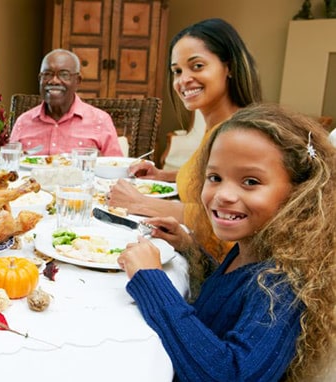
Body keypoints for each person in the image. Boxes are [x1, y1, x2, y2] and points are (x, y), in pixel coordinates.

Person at [117, 104, 336, 381]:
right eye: (215, 178)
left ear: (299, 193)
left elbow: (231, 374)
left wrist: (151, 280)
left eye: (250, 181)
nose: (224, 195)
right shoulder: (251, 248)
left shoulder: (283, 284)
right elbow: (226, 301)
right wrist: (189, 247)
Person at [108, 18, 262, 261]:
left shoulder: (237, 135)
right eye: (177, 71)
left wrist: (139, 202)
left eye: (197, 66)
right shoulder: (219, 128)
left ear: (229, 67)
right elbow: (208, 177)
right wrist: (163, 175)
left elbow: (225, 217)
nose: (183, 80)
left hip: (221, 269)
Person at [9, 49, 123, 157]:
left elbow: (115, 167)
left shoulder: (100, 121)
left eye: (64, 75)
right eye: (47, 74)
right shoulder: (23, 122)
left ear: (77, 81)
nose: (54, 80)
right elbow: (8, 167)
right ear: (40, 79)